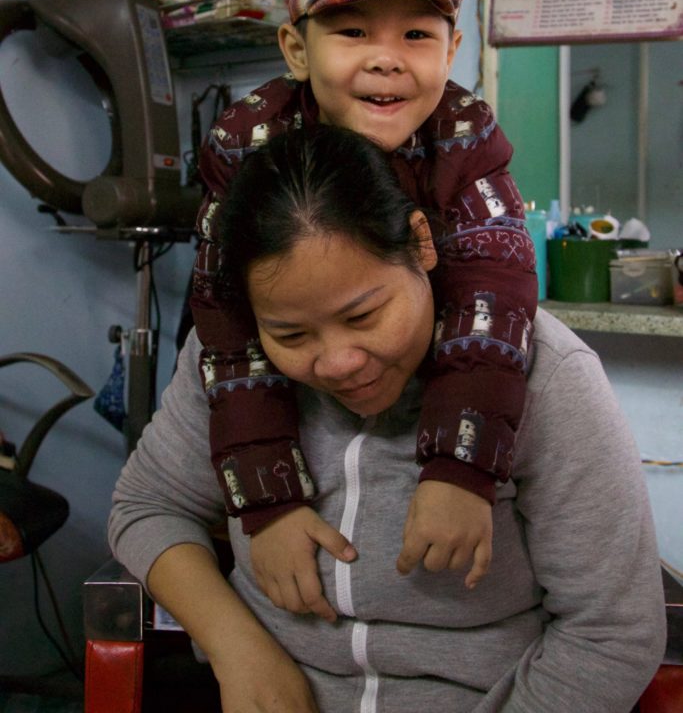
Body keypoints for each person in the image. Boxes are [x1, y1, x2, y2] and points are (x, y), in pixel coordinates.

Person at [109, 124, 666, 713]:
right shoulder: (229, 365)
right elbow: (146, 507)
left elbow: (611, 634)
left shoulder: (546, 377)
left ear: (420, 244)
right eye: (290, 333)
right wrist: (238, 648)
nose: (339, 363)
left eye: (365, 316)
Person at [189, 0, 538, 609]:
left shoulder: (466, 138)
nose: (386, 57)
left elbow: (492, 298)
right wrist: (268, 505)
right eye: (351, 33)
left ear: (451, 50)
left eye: (416, 34)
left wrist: (458, 468)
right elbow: (230, 328)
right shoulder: (247, 141)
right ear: (294, 49)